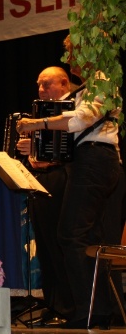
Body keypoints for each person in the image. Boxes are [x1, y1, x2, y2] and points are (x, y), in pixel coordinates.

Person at [17, 35, 125, 329]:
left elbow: (81, 120)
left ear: (88, 49)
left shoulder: (103, 80)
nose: (69, 60)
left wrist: (37, 123)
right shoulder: (87, 88)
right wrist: (43, 153)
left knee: (71, 234)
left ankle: (88, 311)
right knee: (86, 237)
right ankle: (97, 310)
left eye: (72, 52)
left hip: (95, 160)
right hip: (88, 160)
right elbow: (73, 135)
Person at [14, 66, 74, 327]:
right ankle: (53, 303)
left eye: (47, 84)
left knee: (59, 242)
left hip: (64, 179)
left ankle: (68, 305)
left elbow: (68, 150)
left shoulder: (71, 109)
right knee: (45, 245)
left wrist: (37, 148)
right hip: (43, 179)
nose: (41, 90)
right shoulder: (43, 112)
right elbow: (43, 154)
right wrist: (31, 151)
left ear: (64, 84)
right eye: (39, 84)